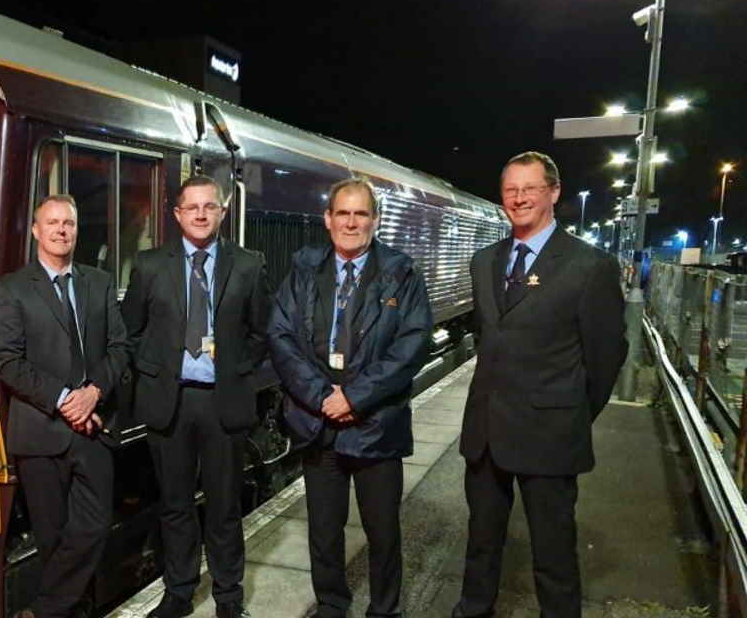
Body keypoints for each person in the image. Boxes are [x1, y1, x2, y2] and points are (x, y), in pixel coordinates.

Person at [453, 151, 627, 618]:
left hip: (550, 435)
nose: (519, 198)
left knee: (553, 555)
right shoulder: (484, 260)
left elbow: (607, 355)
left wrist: (570, 411)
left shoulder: (590, 265)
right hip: (486, 432)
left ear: (554, 192)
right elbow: (489, 338)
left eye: (530, 188)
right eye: (511, 189)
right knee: (481, 545)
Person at [267, 176, 431, 618]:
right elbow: (281, 335)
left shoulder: (401, 272)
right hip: (319, 425)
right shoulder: (304, 269)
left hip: (376, 426)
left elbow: (412, 345)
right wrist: (323, 396)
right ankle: (331, 606)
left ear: (375, 221)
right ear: (327, 219)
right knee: (324, 530)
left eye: (361, 214)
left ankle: (384, 609)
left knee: (382, 532)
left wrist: (354, 398)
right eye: (343, 213)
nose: (351, 222)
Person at [121, 175, 270, 618]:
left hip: (222, 401)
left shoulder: (248, 264)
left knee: (225, 507)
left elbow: (261, 331)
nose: (202, 214)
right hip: (170, 402)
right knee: (175, 505)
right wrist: (152, 371)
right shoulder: (149, 265)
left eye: (210, 206)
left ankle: (228, 596)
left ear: (222, 213)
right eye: (193, 207)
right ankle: (179, 593)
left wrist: (237, 369)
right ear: (177, 214)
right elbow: (130, 331)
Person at [0, 194, 130, 618]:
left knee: (94, 525)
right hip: (40, 431)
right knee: (51, 538)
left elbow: (120, 347)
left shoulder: (98, 283)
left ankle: (45, 611)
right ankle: (69, 612)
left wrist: (93, 393)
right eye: (52, 222)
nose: (61, 229)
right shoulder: (11, 288)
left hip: (94, 427)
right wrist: (65, 399)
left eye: (68, 222)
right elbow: (7, 362)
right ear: (36, 230)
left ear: (76, 230)